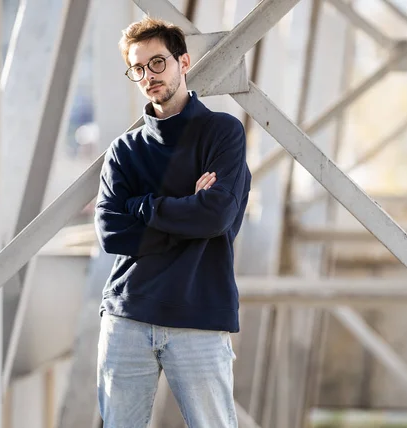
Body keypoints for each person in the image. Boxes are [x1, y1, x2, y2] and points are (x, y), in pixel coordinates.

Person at [93, 16, 251, 428]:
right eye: (138, 68)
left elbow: (217, 215)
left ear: (184, 62)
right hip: (128, 316)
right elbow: (111, 232)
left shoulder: (223, 133)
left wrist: (143, 207)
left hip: (199, 316)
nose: (148, 76)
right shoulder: (124, 151)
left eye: (157, 62)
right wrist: (188, 212)